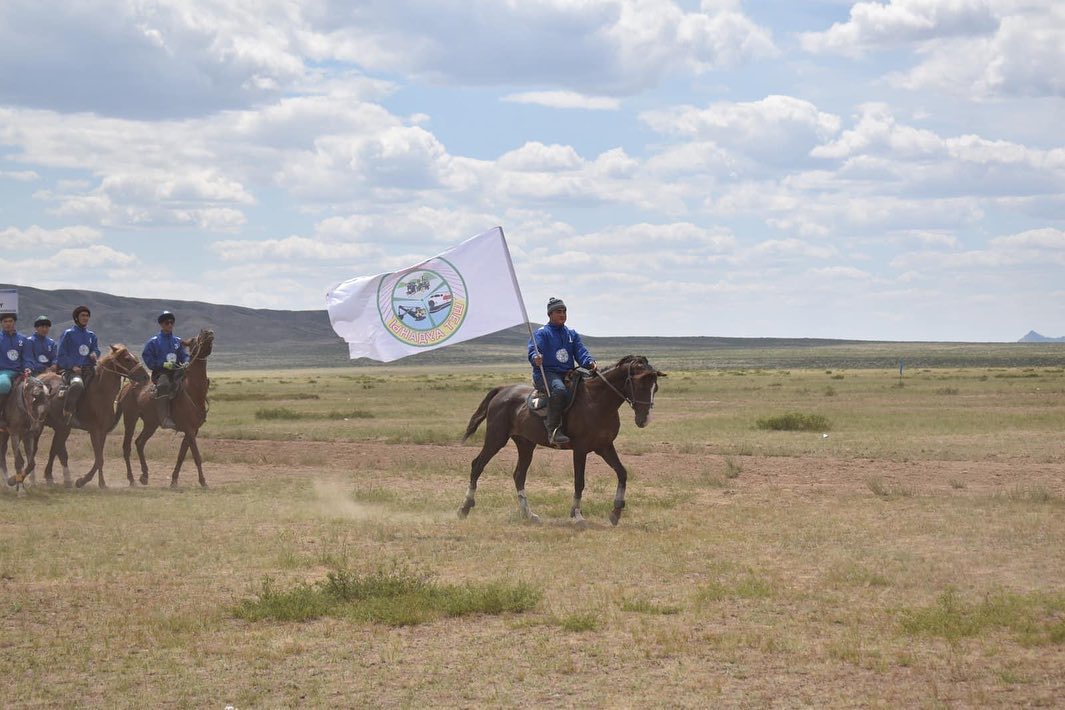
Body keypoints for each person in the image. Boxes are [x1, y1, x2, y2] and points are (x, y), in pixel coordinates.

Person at [527, 297, 597, 445]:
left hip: (567, 373)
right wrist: (535, 358)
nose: (562, 314)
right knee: (559, 390)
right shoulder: (541, 333)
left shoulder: (571, 334)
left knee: (589, 387)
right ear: (550, 314)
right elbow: (534, 350)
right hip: (546, 374)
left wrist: (589, 362)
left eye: (564, 311)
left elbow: (580, 351)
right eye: (559, 311)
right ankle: (553, 431)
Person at [142, 310, 188, 429]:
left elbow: (184, 355)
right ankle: (164, 418)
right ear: (161, 324)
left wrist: (187, 362)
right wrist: (160, 364)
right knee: (164, 384)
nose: (170, 325)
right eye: (167, 323)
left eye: (171, 322)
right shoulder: (153, 341)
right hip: (160, 372)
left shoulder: (177, 341)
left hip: (177, 370)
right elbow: (147, 356)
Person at [57, 305, 100, 419]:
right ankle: (67, 412)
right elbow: (61, 354)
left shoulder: (91, 335)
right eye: (82, 315)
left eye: (87, 316)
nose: (85, 318)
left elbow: (96, 349)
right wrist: (72, 366)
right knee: (77, 385)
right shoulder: (68, 333)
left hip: (89, 369)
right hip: (72, 371)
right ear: (76, 318)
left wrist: (95, 353)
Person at [0, 312, 32, 430]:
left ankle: (34, 418)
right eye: (5, 322)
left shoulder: (23, 339)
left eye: (10, 321)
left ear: (14, 322)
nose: (8, 324)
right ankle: (1, 415)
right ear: (1, 323)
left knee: (38, 386)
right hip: (3, 371)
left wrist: (28, 367)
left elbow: (27, 357)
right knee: (3, 385)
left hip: (21, 372)